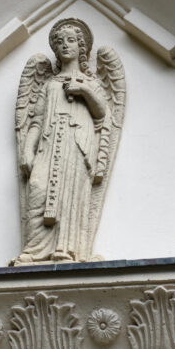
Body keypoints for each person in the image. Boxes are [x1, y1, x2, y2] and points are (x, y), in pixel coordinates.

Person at [15, 19, 109, 264]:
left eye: (71, 40)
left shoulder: (91, 83)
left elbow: (102, 113)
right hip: (48, 143)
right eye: (60, 41)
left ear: (81, 47)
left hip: (77, 144)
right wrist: (27, 149)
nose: (65, 45)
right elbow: (36, 119)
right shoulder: (49, 84)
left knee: (72, 195)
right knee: (38, 188)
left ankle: (67, 250)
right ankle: (34, 250)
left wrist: (84, 91)